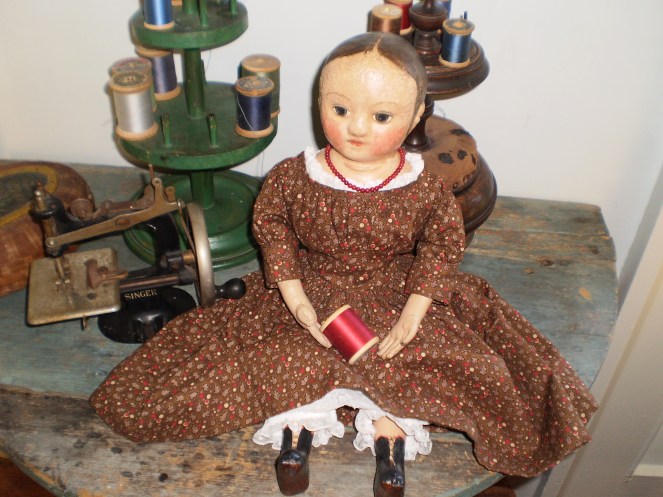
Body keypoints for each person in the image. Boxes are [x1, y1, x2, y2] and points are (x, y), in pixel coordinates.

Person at [91, 32, 597, 497]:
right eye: (340, 108)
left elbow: (442, 243)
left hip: (396, 289)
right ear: (319, 104)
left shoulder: (423, 187)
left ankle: (390, 445)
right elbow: (273, 228)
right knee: (282, 357)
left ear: (415, 117)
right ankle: (296, 441)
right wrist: (292, 294)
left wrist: (415, 309)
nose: (356, 127)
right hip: (313, 286)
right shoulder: (294, 177)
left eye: (382, 116)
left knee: (429, 360)